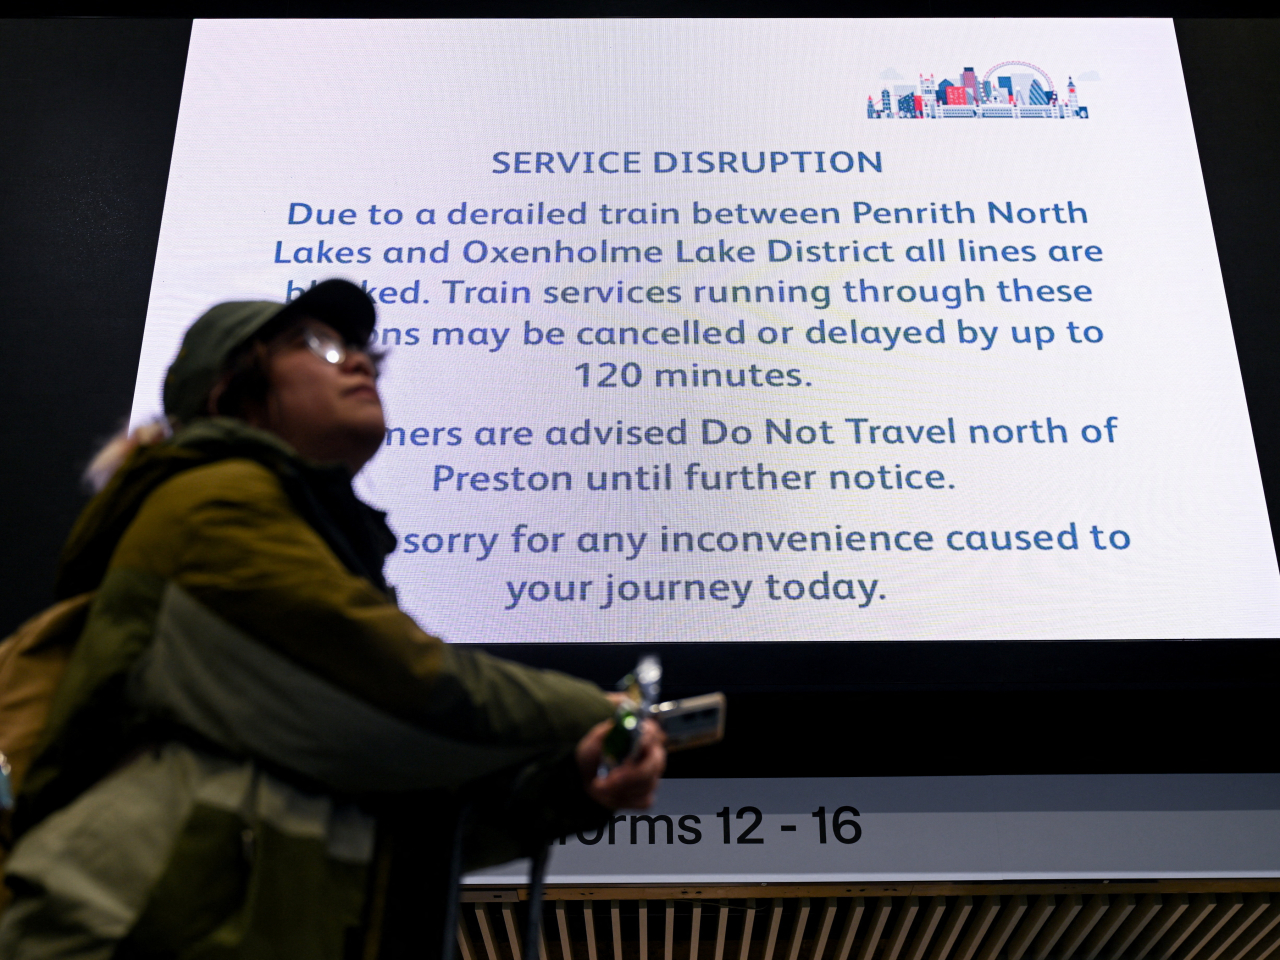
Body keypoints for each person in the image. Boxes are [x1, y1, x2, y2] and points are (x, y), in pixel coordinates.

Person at [0, 279, 665, 960]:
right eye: (312, 345)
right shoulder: (210, 502)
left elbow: (411, 813)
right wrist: (597, 711)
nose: (353, 361)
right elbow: (402, 682)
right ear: (231, 389)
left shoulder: (325, 553)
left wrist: (574, 782)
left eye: (356, 348)